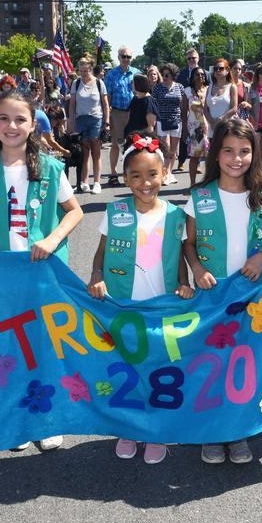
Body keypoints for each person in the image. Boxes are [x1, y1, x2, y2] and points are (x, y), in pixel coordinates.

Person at [0, 89, 84, 451]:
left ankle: (47, 419)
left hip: (40, 271)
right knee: (10, 344)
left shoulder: (51, 167)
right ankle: (18, 421)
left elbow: (74, 211)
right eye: (4, 118)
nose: (12, 126)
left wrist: (53, 239)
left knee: (43, 344)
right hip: (0, 275)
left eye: (20, 119)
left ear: (33, 124)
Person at [88, 131, 194, 464]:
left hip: (161, 304)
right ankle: (130, 428)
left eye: (152, 174)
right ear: (124, 178)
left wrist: (183, 283)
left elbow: (179, 254)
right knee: (128, 367)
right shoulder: (116, 210)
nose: (145, 182)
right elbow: (101, 253)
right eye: (136, 175)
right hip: (123, 303)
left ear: (164, 174)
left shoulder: (175, 215)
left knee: (159, 367)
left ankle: (156, 430)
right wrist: (96, 277)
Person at [183, 118, 262, 465]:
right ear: (216, 153)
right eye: (228, 151)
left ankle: (237, 431)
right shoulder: (200, 195)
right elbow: (188, 244)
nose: (236, 159)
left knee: (243, 363)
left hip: (250, 296)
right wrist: (198, 269)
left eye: (244, 151)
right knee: (211, 363)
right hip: (210, 297)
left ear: (255, 154)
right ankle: (211, 430)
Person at [67, 53, 110, 194]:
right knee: (83, 152)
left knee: (96, 152)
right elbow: (72, 104)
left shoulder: (99, 83)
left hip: (96, 119)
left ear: (91, 69)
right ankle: (84, 181)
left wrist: (106, 122)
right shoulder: (76, 83)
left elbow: (105, 104)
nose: (83, 73)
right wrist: (71, 122)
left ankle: (97, 183)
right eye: (81, 70)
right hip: (80, 120)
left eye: (86, 70)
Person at [104, 47, 142, 187]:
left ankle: (132, 174)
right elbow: (107, 97)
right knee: (116, 143)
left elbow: (143, 92)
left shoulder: (137, 73)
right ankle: (113, 174)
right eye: (123, 56)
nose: (126, 59)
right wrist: (107, 118)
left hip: (134, 112)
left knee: (134, 143)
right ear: (118, 57)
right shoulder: (111, 75)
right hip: (117, 113)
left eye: (128, 57)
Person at [151, 62, 184, 183]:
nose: (164, 77)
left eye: (167, 75)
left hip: (176, 120)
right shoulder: (157, 88)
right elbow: (153, 105)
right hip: (162, 120)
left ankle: (169, 173)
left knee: (173, 150)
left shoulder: (179, 87)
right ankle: (164, 173)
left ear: (173, 75)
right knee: (166, 148)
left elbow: (182, 104)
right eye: (163, 75)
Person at [181, 67, 210, 186]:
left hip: (209, 128)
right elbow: (183, 112)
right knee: (194, 157)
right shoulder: (187, 91)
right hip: (194, 129)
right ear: (192, 77)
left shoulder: (209, 90)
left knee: (210, 158)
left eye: (202, 75)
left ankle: (208, 183)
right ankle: (192, 184)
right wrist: (184, 131)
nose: (200, 77)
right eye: (197, 74)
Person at [176, 48, 201, 172]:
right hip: (184, 106)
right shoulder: (182, 73)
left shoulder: (204, 73)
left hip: (199, 109)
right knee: (184, 135)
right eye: (189, 58)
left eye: (194, 58)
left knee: (199, 136)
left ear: (198, 59)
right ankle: (181, 161)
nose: (191, 60)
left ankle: (197, 163)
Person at [204, 58, 238, 136]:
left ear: (227, 70)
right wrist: (212, 123)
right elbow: (205, 109)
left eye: (221, 68)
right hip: (212, 129)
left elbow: (234, 108)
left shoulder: (232, 87)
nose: (218, 71)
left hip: (227, 128)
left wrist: (220, 120)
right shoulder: (209, 87)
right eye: (215, 69)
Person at [122, 74, 157, 144]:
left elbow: (151, 125)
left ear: (139, 84)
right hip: (132, 136)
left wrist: (148, 142)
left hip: (142, 139)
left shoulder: (149, 101)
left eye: (133, 83)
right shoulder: (135, 98)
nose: (131, 84)